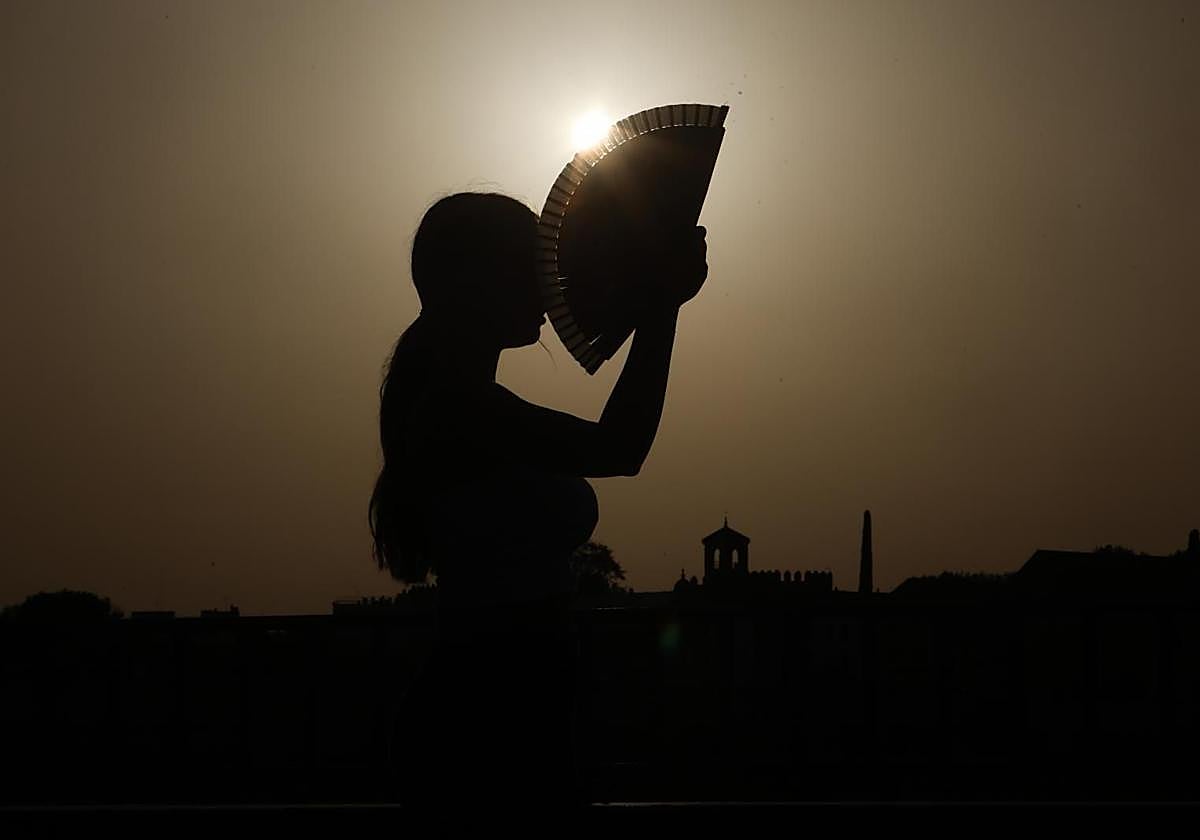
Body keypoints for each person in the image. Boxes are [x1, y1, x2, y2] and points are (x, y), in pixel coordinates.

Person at [368, 191, 707, 818]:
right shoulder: (460, 408)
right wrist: (662, 307)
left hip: (500, 713)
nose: (550, 285)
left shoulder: (452, 400)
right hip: (487, 728)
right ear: (477, 283)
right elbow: (620, 448)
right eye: (531, 265)